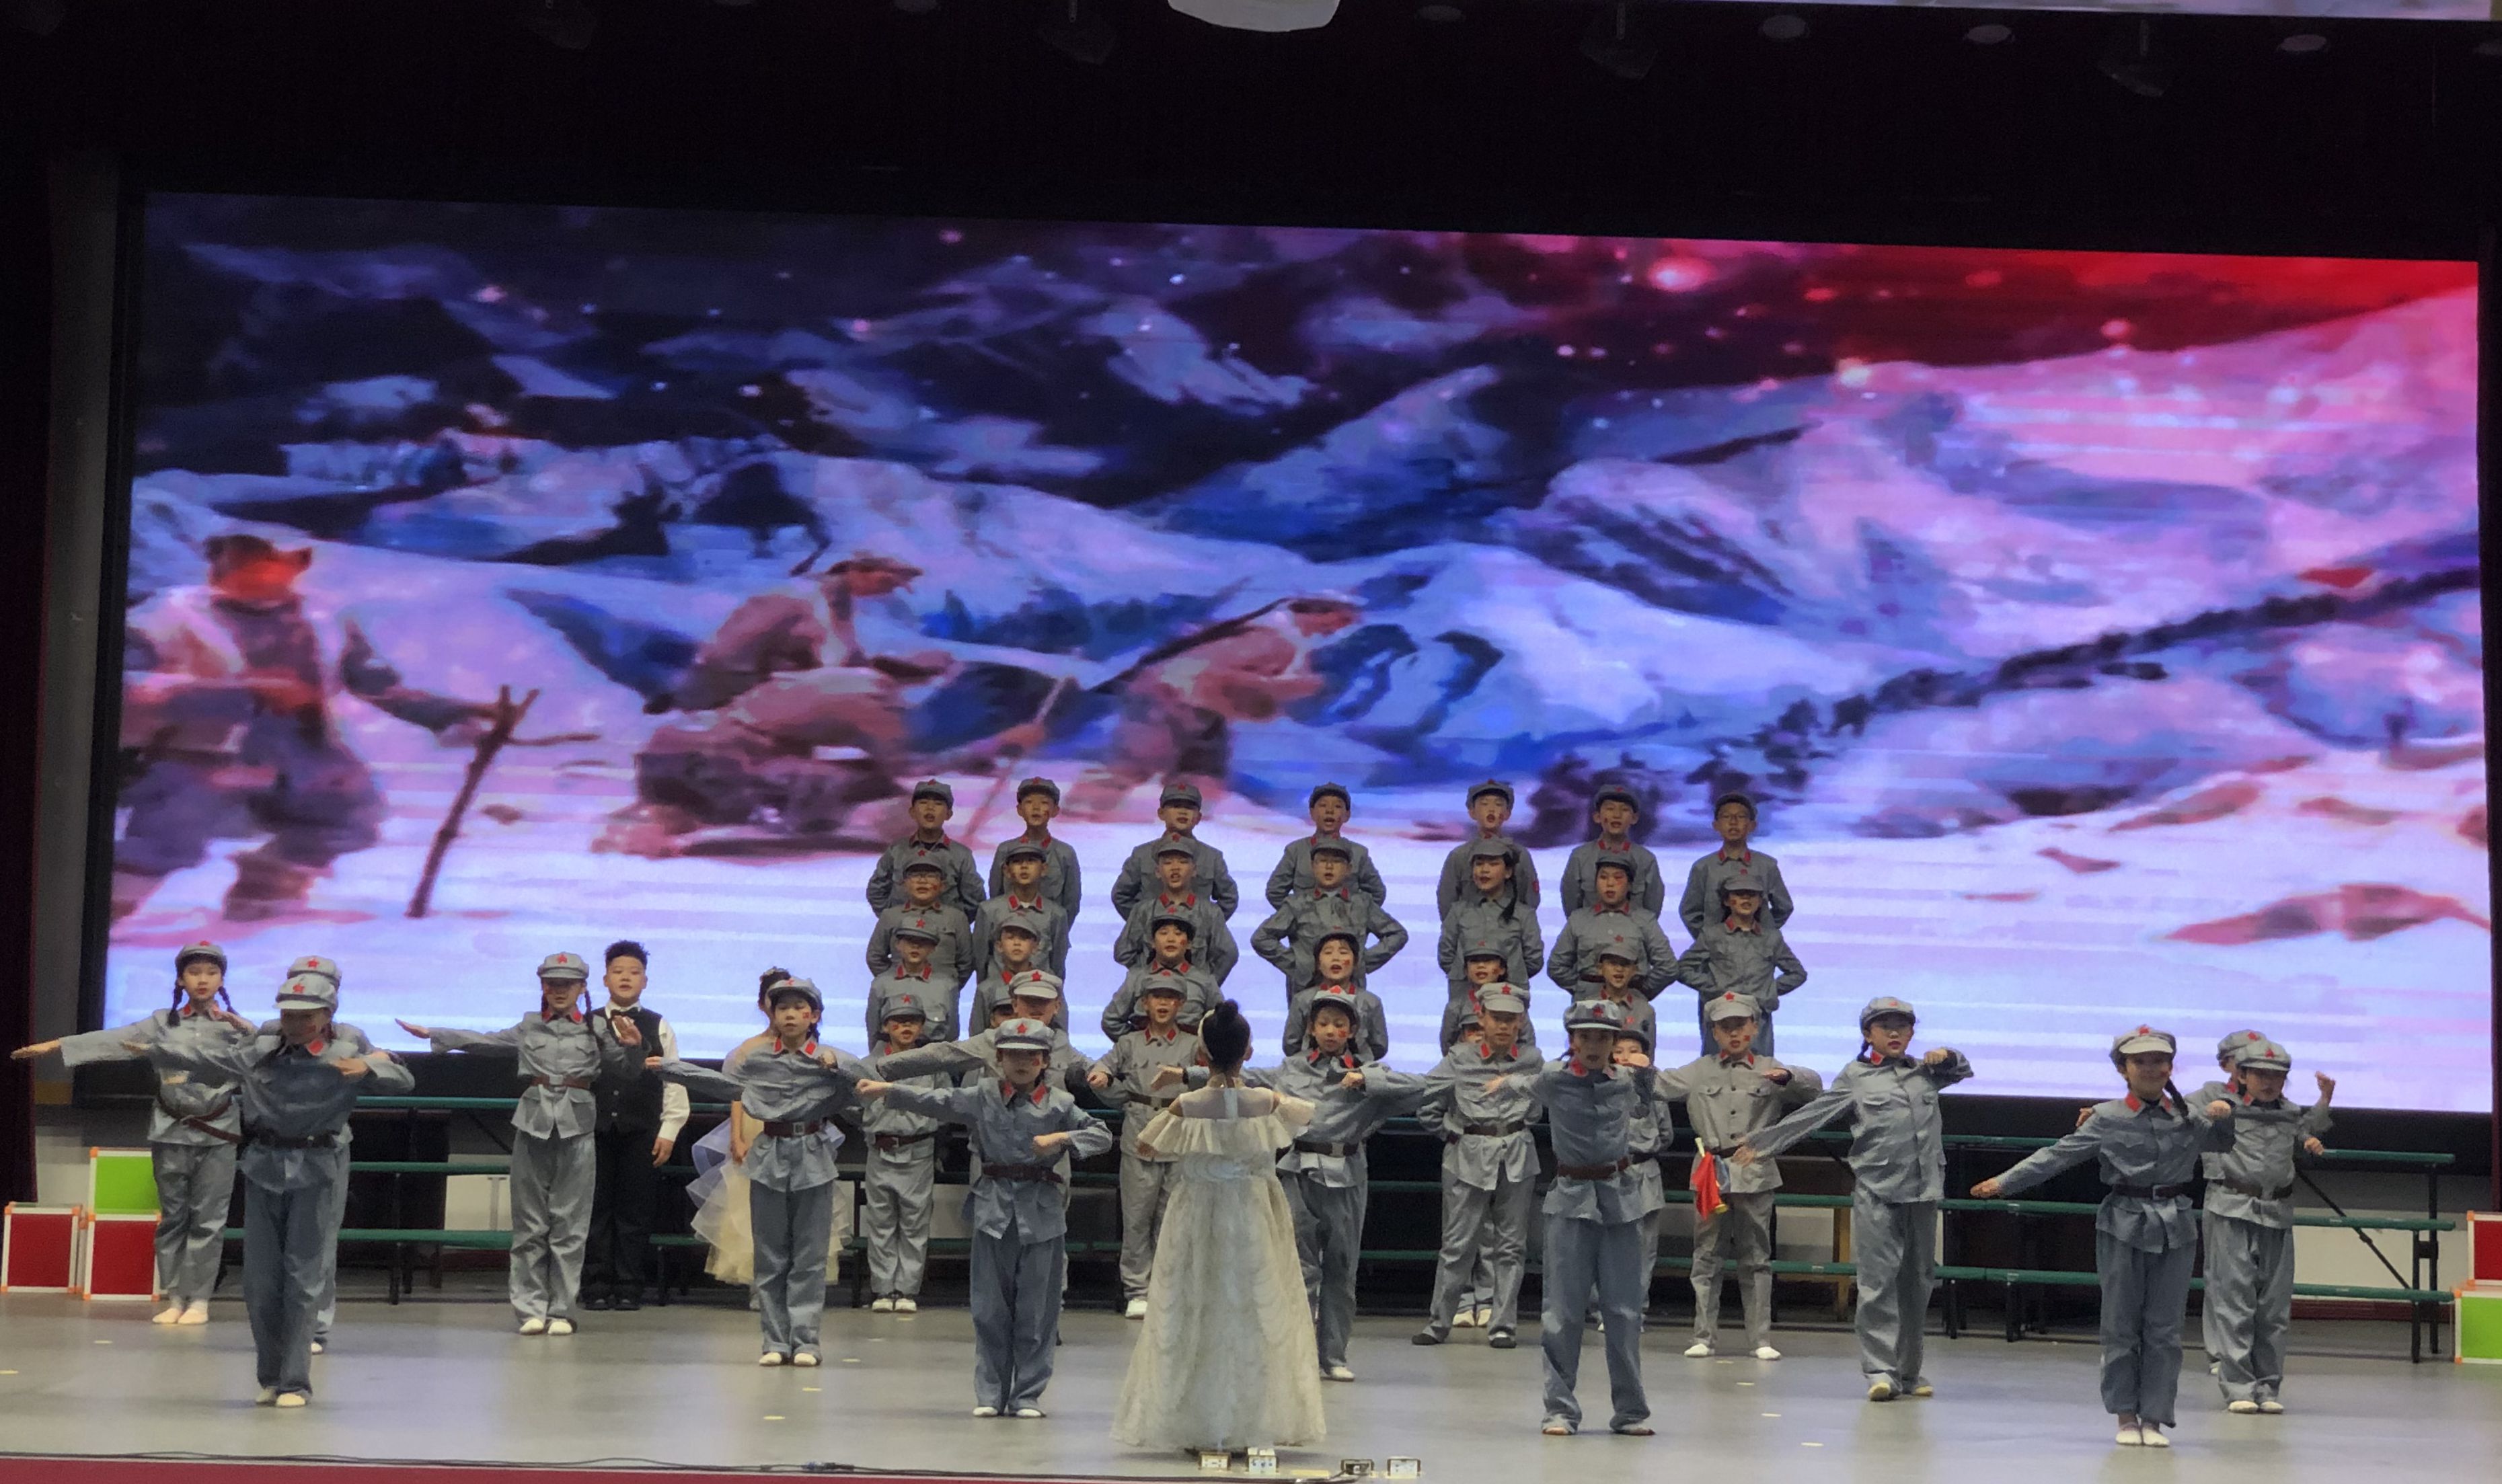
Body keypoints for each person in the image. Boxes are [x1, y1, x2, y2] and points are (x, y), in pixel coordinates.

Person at [113, 533, 494, 922]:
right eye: (245, 561)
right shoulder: (167, 616)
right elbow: (129, 685)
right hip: (201, 756)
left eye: (273, 563)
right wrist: (245, 694)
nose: (260, 573)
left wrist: (446, 715)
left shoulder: (323, 618)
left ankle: (267, 886)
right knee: (165, 840)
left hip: (302, 752)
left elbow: (372, 681)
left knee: (349, 818)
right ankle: (98, 913)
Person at [129, 970, 414, 1407]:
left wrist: (370, 1065)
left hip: (316, 1168)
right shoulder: (261, 1050)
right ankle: (271, 1375)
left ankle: (295, 1380)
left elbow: (404, 1080)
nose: (295, 1023)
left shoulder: (344, 1051)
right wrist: (148, 1050)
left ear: (327, 1015)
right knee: (260, 1282)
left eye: (306, 1016)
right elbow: (208, 1060)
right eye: (287, 1015)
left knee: (303, 1278)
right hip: (265, 1165)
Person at [1972, 1028, 2238, 1448]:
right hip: (2123, 1223)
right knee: (2120, 1324)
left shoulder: (2188, 1116)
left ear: (2170, 1067)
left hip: (2175, 1225)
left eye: (2159, 1061)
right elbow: (2057, 1156)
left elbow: (2224, 1141)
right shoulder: (2107, 1117)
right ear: (2122, 1069)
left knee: (2165, 1329)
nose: (2150, 1068)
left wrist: (2226, 1113)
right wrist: (2005, 1182)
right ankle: (2125, 1415)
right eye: (2139, 1062)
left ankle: (2155, 1417)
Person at [856, 1019, 1117, 1418]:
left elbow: (1102, 1135)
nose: (1022, 1063)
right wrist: (888, 1091)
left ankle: (1027, 1395)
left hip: (1041, 1211)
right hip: (994, 1208)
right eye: (1013, 1055)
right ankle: (991, 1393)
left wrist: (1063, 1139)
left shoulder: (1061, 1103)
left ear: (1045, 1061)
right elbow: (938, 1101)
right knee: (989, 1309)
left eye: (1031, 1056)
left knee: (1037, 1310)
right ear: (998, 1058)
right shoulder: (984, 1095)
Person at [1107, 1000, 1327, 1452]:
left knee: (1196, 1311)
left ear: (1201, 1054)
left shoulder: (1188, 1105)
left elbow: (1147, 1147)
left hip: (1198, 1211)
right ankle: (1251, 1423)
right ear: (1248, 1051)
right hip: (1254, 1212)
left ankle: (1198, 1423)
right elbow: (1305, 1117)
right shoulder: (1266, 1101)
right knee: (1254, 1311)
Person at [1736, 996, 1971, 1403]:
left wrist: (1948, 1054)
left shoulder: (1925, 1073)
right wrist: (1763, 1143)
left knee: (1918, 1283)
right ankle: (1880, 1371)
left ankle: (1909, 1371)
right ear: (1868, 1034)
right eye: (1885, 1026)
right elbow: (1815, 1114)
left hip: (1923, 1191)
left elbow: (1962, 1069)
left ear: (1912, 1032)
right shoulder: (1855, 1077)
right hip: (1878, 1191)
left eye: (1902, 1026)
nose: (1895, 1033)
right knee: (1878, 1284)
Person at [12, 940, 256, 1325]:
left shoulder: (235, 1028)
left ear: (222, 979)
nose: (203, 980)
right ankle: (175, 1297)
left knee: (209, 1220)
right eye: (194, 972)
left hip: (218, 1131)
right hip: (171, 1128)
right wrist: (57, 1045)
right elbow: (115, 1039)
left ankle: (199, 1301)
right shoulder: (161, 1023)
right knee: (174, 1217)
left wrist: (250, 1032)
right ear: (181, 979)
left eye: (211, 973)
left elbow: (265, 1057)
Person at [395, 951, 639, 1335]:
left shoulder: (597, 1028)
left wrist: (635, 1046)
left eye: (568, 984)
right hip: (533, 1124)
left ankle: (561, 1310)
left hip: (577, 1126)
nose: (559, 991)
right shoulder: (529, 1026)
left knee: (571, 1224)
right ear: (543, 986)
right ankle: (530, 1309)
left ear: (581, 988)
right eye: (553, 984)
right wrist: (436, 1035)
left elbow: (628, 1070)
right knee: (529, 1223)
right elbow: (486, 1042)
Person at [652, 978, 867, 1367]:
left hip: (813, 1156)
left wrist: (839, 1071)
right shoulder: (756, 1060)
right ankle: (775, 1341)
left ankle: (806, 1341)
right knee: (770, 1255)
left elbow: (860, 1093)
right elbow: (724, 1086)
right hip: (769, 1155)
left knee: (809, 1256)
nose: (789, 1015)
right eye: (781, 1007)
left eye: (798, 1008)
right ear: (772, 1014)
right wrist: (672, 1069)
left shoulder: (833, 1059)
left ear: (814, 1016)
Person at [1657, 991, 1823, 1360]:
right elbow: (1659, 1084)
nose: (1733, 1033)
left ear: (1755, 1027)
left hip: (1754, 1170)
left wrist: (1789, 1077)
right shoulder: (1699, 1070)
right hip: (1711, 1171)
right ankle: (1703, 1335)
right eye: (1725, 1026)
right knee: (1706, 1255)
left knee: (1756, 1257)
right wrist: (1633, 1065)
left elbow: (1814, 1089)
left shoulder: (1770, 1067)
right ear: (1714, 1032)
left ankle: (1760, 1339)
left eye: (1740, 1025)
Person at [1078, 596, 1360, 810]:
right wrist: (1285, 687)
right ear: (1316, 613)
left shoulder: (1290, 644)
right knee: (1134, 764)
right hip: (1169, 697)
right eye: (1340, 619)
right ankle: (1083, 811)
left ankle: (1186, 830)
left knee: (1203, 775)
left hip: (1203, 706)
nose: (1341, 628)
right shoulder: (1268, 639)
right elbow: (1212, 672)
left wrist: (1291, 688)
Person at [1531, 999, 1659, 1438]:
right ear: (1572, 1040)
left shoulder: (1627, 1080)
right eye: (1585, 1036)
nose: (1593, 1045)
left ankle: (1631, 1410)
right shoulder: (1554, 1078)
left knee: (1624, 1311)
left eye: (1602, 1037)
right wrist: (1496, 1084)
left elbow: (1648, 1106)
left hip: (1620, 1198)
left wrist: (1646, 1073)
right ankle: (1559, 1410)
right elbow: (1517, 1085)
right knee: (1562, 1312)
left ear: (1613, 1042)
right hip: (1570, 1198)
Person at [2202, 1039, 2334, 1414]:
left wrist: (2324, 1102)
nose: (2269, 1082)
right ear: (2242, 1075)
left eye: (2278, 1076)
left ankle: (2268, 1387)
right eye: (2260, 1074)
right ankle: (2239, 1387)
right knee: (2234, 1301)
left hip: (2277, 1212)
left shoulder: (2289, 1112)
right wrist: (2212, 1114)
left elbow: (2307, 1129)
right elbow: (2174, 1112)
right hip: (2232, 1208)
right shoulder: (2221, 1104)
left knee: (2274, 1306)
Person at [1412, 987, 1543, 1350]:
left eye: (1511, 1019)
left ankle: (1503, 1325)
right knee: (1457, 1245)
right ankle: (1439, 1322)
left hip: (1516, 1155)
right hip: (1467, 1157)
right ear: (1481, 1018)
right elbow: (1426, 1100)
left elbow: (1537, 1106)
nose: (1503, 1026)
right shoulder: (1459, 1058)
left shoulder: (1532, 1060)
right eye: (1496, 1018)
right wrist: (1453, 1135)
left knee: (1511, 1246)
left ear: (1521, 1022)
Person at [1087, 978, 1203, 1319]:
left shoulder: (1192, 1044)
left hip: (1178, 1133)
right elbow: (1102, 1067)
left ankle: (1168, 1289)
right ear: (1145, 1003)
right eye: (1157, 997)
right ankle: (1137, 1290)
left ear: (1181, 1005)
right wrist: (1105, 1081)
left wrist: (1184, 1074)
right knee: (1137, 1219)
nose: (1163, 1004)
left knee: (1172, 1220)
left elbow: (1212, 1075)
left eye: (1171, 998)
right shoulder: (1130, 1042)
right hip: (1140, 1136)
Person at [582, 940, 687, 1313]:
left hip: (641, 1131)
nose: (626, 978)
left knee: (635, 1213)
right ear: (605, 979)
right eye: (618, 971)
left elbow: (674, 1080)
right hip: (592, 1130)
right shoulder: (587, 1023)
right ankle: (595, 1284)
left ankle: (629, 1286)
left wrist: (668, 1131)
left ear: (645, 980)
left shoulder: (658, 1025)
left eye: (634, 972)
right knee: (595, 1210)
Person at [858, 990, 953, 1315]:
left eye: (913, 1021)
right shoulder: (867, 1066)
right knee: (881, 1222)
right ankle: (883, 1289)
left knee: (915, 1223)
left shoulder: (932, 1064)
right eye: (898, 1021)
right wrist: (872, 1126)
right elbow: (851, 1106)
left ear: (922, 1026)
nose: (906, 1027)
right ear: (886, 1026)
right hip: (880, 1149)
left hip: (919, 1150)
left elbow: (947, 1103)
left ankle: (907, 1289)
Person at [1250, 840, 1408, 992]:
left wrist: (1363, 962)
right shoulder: (1297, 905)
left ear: (1348, 869)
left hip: (1352, 990)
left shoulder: (1362, 904)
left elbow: (1397, 934)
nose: (1329, 867)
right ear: (1313, 866)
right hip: (1307, 989)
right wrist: (1298, 964)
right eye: (1323, 861)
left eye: (1337, 862)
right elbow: (1261, 938)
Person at [1673, 882, 1805, 1055]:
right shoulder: (1713, 935)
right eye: (1739, 894)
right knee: (1714, 1068)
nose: (1746, 899)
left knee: (1761, 1069)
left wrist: (1768, 991)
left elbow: (1797, 973)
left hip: (1757, 1018)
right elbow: (1683, 968)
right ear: (1727, 900)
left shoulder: (1771, 938)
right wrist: (1715, 989)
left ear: (1760, 901)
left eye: (1752, 895)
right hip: (1722, 1016)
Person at [1438, 837, 1546, 1005]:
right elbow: (1446, 956)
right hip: (1465, 998)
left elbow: (1534, 960)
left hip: (1509, 998)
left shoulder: (1524, 915)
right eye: (1479, 864)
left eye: (1493, 864)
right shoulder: (1458, 912)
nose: (1484, 870)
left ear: (1508, 872)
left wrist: (1509, 974)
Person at [1111, 783, 1240, 920]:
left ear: (1198, 817)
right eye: (1176, 806)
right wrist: (1144, 924)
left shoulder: (1212, 857)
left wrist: (1207, 925)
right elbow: (1121, 895)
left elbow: (1229, 898)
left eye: (1189, 808)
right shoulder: (1142, 855)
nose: (1183, 812)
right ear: (1161, 813)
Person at [1549, 862, 1677, 1000]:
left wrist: (1640, 992)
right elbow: (1556, 966)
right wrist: (1583, 990)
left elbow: (1668, 967)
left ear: (1630, 885)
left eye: (1618, 878)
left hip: (1631, 1003)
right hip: (1589, 1002)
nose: (1610, 884)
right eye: (1603, 877)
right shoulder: (1579, 920)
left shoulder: (1645, 920)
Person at [866, 779, 986, 919]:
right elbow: (876, 890)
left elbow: (974, 899)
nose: (930, 808)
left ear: (948, 814)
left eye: (938, 804)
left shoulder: (961, 855)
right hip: (902, 930)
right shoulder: (896, 851)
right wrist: (893, 919)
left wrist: (954, 924)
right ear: (912, 812)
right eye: (923, 803)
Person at [1114, 851, 1241, 982]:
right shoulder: (1143, 911)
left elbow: (1229, 953)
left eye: (1183, 862)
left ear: (1194, 870)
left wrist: (1206, 984)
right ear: (1158, 871)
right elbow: (1123, 951)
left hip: (1194, 992)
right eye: (1168, 863)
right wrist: (1145, 978)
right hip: (1152, 991)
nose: (1175, 868)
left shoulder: (1210, 912)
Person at [1677, 792, 1793, 937]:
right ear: (1716, 825)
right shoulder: (1703, 867)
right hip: (1716, 948)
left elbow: (1784, 907)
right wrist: (1708, 940)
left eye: (1741, 817)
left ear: (1752, 825)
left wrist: (1764, 934)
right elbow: (1689, 911)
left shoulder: (1766, 866)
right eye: (1726, 817)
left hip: (1757, 948)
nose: (1733, 822)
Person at [1265, 782, 1386, 908]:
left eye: (1337, 806)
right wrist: (1296, 915)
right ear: (1312, 813)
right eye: (1323, 805)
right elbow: (1275, 892)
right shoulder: (1296, 851)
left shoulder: (1358, 853)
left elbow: (1377, 894)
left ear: (1347, 815)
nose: (1330, 811)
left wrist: (1356, 916)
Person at [865, 862, 977, 999]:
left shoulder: (956, 918)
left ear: (943, 886)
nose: (922, 881)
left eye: (931, 876)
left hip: (941, 994)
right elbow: (875, 957)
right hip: (898, 995)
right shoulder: (890, 916)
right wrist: (893, 983)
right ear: (904, 884)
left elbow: (966, 961)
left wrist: (949, 986)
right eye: (915, 875)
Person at [989, 777, 1084, 933]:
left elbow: (1071, 902)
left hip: (1049, 935)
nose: (1036, 808)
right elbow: (996, 897)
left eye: (1044, 803)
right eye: (1029, 802)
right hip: (1010, 934)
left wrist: (1057, 934)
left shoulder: (1064, 854)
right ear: (1019, 810)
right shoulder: (1005, 851)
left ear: (1055, 810)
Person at [1558, 783, 1665, 920]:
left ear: (1634, 818)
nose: (1617, 815)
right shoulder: (1580, 857)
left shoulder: (1646, 860)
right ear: (1597, 816)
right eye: (1610, 808)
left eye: (1624, 810)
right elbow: (1572, 908)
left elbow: (1652, 910)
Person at [1435, 780, 1542, 917]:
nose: (1491, 810)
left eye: (1498, 804)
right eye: (1484, 804)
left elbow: (1531, 900)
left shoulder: (1520, 855)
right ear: (1472, 812)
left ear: (1507, 813)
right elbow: (1446, 901)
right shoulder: (1459, 856)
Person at [1281, 931, 1390, 1061]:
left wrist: (1357, 1064)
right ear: (1318, 963)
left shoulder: (1371, 1002)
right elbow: (1291, 1044)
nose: (1336, 958)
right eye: (1328, 953)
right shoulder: (1302, 1000)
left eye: (1343, 953)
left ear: (1355, 963)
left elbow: (1379, 1046)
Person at [979, 841, 1071, 980]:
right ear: (1007, 871)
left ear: (1044, 869)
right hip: (999, 989)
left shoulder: (1056, 914)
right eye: (1017, 862)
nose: (1024, 866)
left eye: (1031, 861)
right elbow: (981, 961)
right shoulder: (989, 911)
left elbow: (1057, 963)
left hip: (1039, 989)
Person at [873, 920, 969, 1044]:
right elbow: (875, 1034)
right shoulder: (881, 985)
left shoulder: (947, 986)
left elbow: (951, 1035)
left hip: (933, 1053)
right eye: (909, 941)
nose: (915, 946)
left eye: (923, 942)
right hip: (893, 1053)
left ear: (933, 948)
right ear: (898, 944)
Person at [964, 913, 1057, 1033]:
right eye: (1010, 937)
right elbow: (977, 1034)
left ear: (1035, 947)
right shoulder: (986, 990)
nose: (1017, 943)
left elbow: (1060, 1031)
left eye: (1024, 938)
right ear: (999, 946)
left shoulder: (1048, 985)